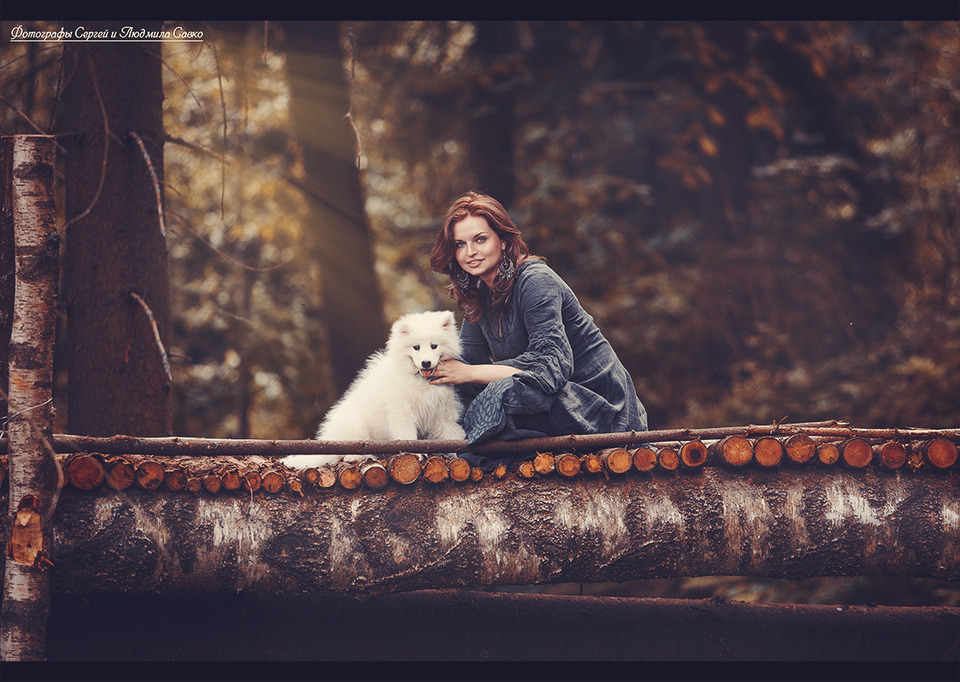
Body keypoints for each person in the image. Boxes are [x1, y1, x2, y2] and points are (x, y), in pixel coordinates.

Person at [427, 191, 648, 470]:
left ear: (504, 242)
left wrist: (468, 373)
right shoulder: (479, 294)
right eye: (460, 244)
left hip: (600, 409)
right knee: (455, 399)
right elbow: (466, 364)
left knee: (502, 394)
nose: (470, 252)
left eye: (480, 239)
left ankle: (494, 450)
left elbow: (550, 370)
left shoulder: (536, 281)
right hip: (548, 401)